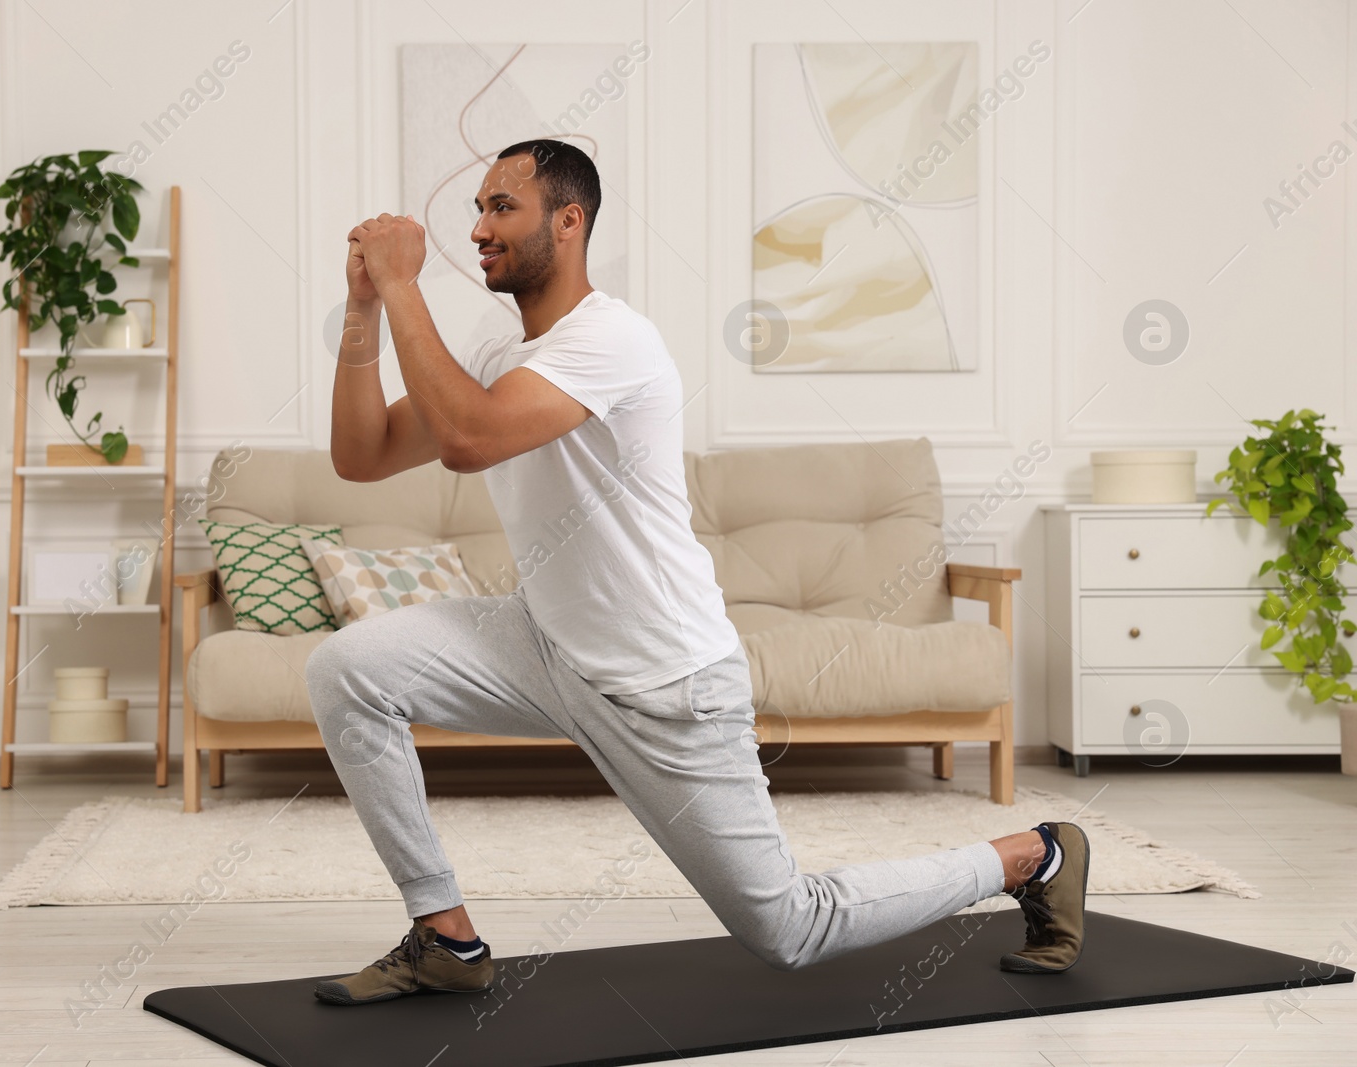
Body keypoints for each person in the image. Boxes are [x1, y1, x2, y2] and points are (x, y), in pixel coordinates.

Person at [307, 138, 1089, 1006]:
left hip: (667, 685)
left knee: (793, 929)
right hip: (548, 646)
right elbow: (361, 455)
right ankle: (444, 937)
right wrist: (365, 307)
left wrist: (407, 282)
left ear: (568, 223)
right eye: (478, 209)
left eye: (502, 207)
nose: (479, 228)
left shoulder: (614, 338)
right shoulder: (496, 357)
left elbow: (468, 438)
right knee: (346, 668)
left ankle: (1032, 854)